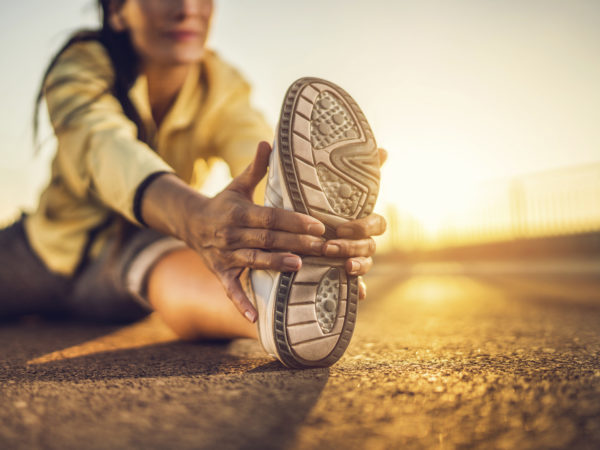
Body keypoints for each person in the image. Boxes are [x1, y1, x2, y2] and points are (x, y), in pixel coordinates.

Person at [0, 0, 386, 368]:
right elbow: (102, 145)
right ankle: (272, 297)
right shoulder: (80, 64)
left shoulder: (223, 84)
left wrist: (300, 231)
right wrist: (198, 217)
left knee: (182, 272)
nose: (187, 9)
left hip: (145, 245)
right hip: (41, 250)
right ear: (117, 10)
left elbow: (261, 153)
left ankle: (269, 307)